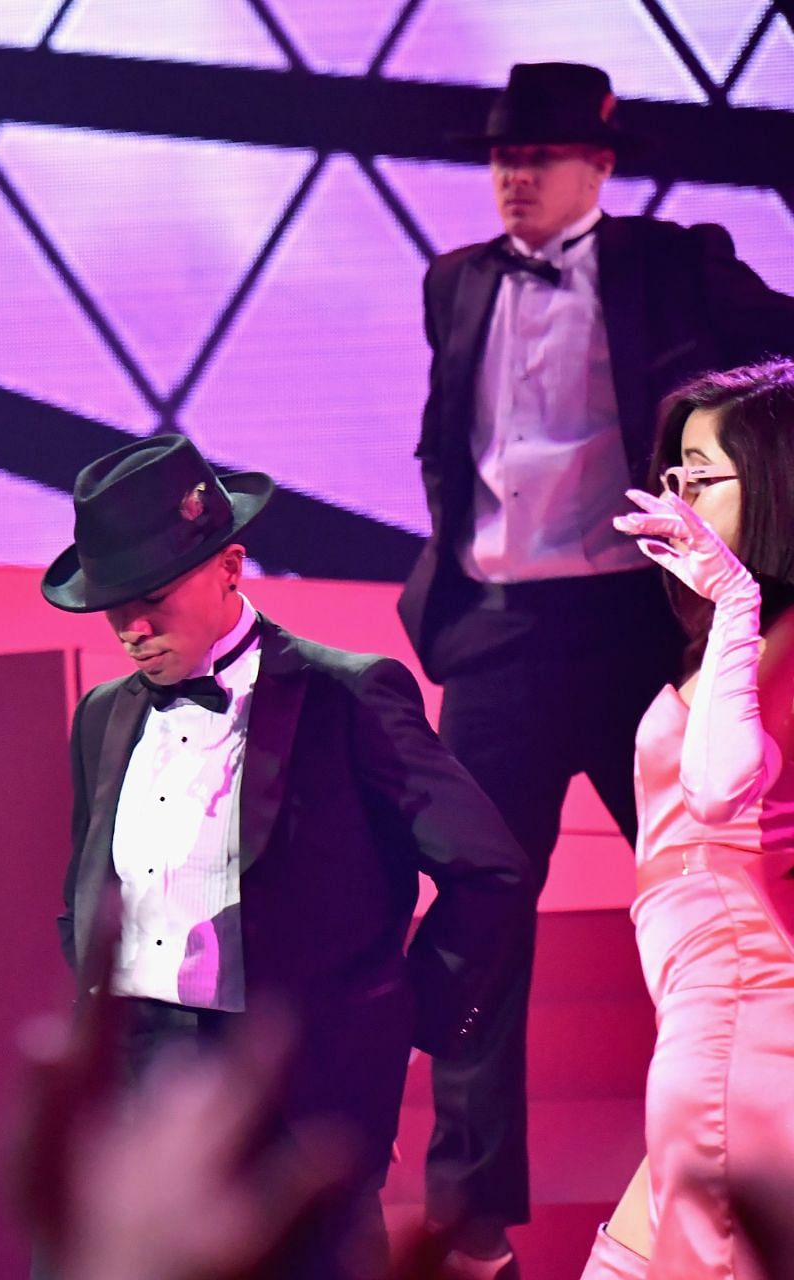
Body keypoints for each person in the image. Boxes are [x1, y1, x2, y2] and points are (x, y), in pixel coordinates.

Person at [396, 62, 794, 1269]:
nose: (515, 176)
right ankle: (471, 1209)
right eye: (503, 159)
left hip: (630, 630)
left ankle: (747, 1126)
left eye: (541, 157)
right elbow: (448, 440)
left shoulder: (671, 262)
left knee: (722, 878)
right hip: (501, 637)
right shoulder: (454, 280)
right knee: (480, 908)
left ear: (600, 167)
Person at [42, 435, 536, 1280]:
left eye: (151, 597)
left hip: (288, 1082)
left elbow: (489, 869)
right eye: (112, 605)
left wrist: (400, 1019)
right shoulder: (101, 717)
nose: (130, 627)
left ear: (231, 565)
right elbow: (91, 886)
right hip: (129, 1072)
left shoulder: (349, 695)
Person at [581, 360, 794, 1279]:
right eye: (676, 476)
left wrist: (738, 601)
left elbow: (716, 795)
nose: (679, 500)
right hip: (704, 1019)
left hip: (741, 1017)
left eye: (704, 476)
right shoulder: (737, 639)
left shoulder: (769, 639)